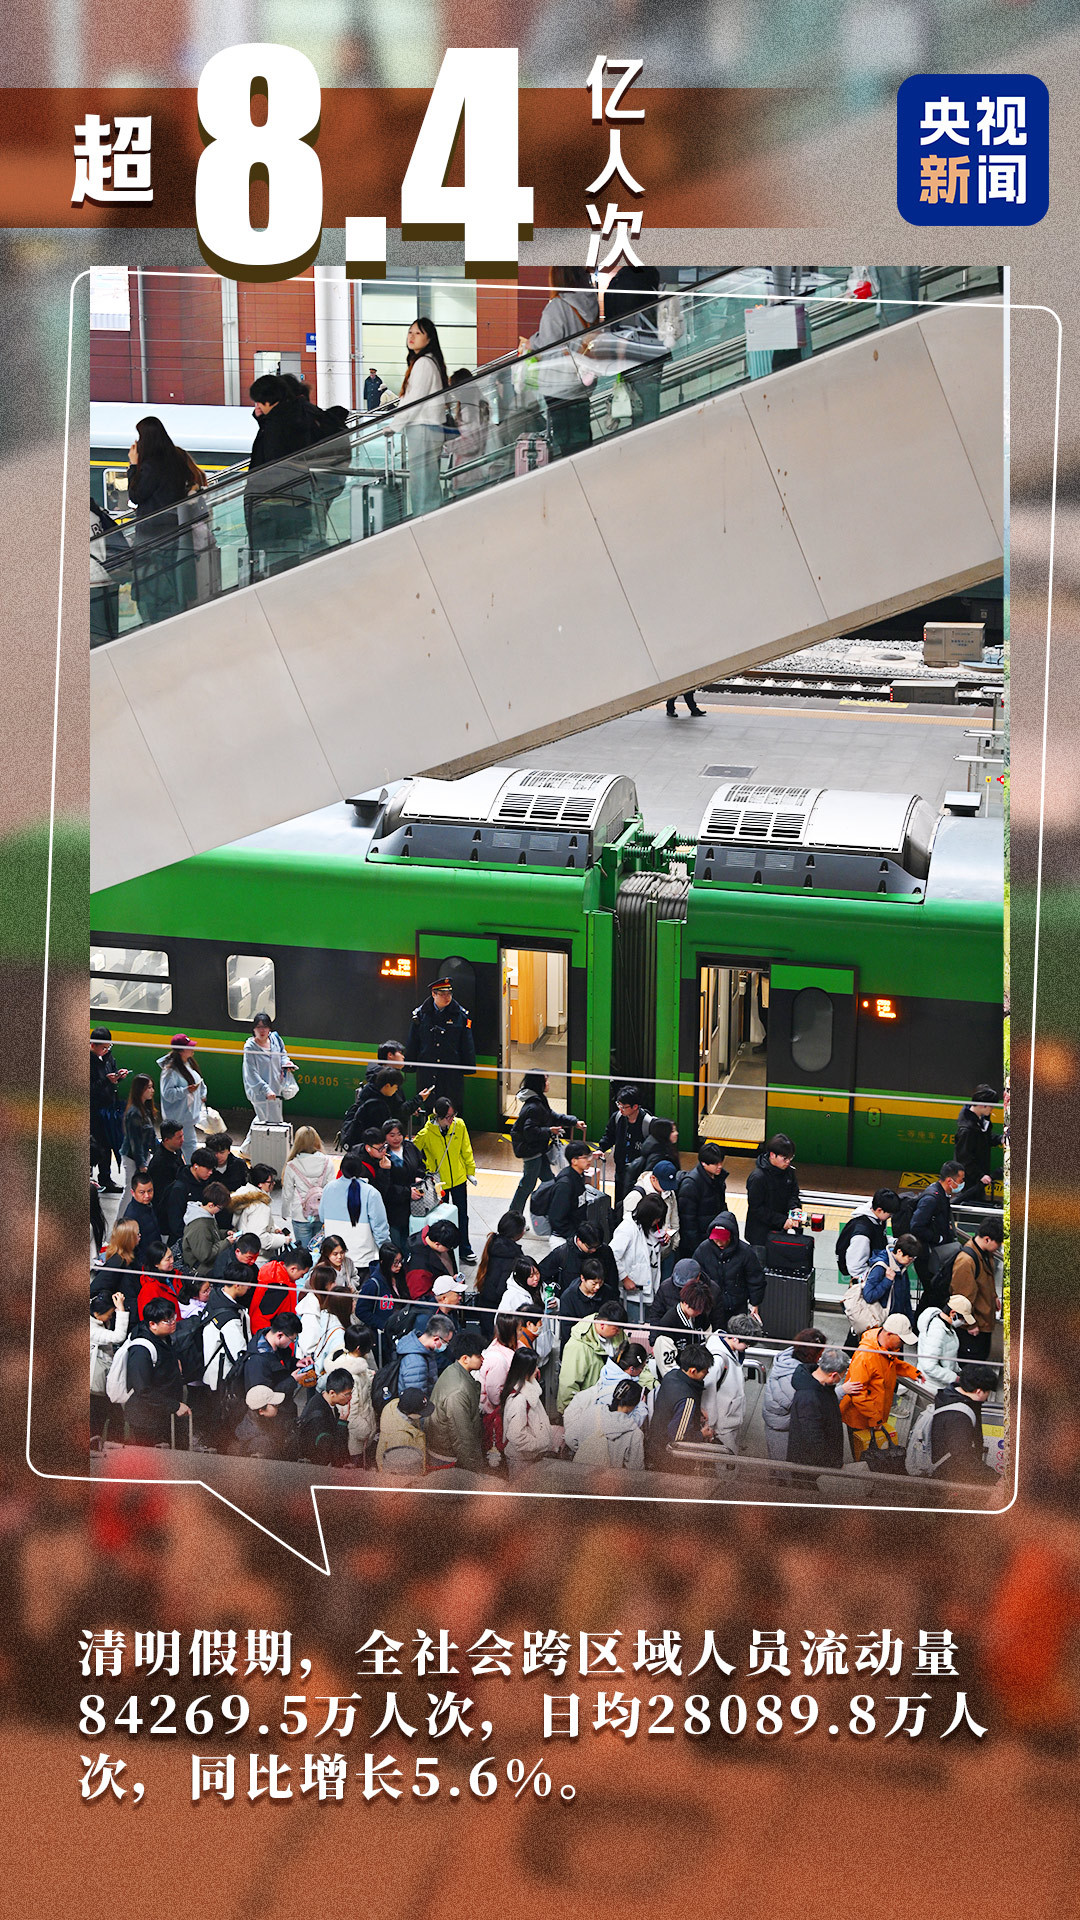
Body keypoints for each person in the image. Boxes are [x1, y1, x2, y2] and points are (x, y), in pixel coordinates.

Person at [245, 372, 323, 575]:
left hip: (274, 503)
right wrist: (263, 420)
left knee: (276, 561)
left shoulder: (278, 424)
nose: (257, 407)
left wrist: (265, 423)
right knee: (290, 557)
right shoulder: (296, 414)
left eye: (259, 402)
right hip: (297, 498)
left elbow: (272, 456)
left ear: (268, 400)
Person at [520, 266, 599, 459]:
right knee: (582, 433)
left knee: (565, 439)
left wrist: (532, 342)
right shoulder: (591, 302)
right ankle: (587, 466)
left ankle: (573, 470)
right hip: (582, 379)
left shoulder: (557, 306)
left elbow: (548, 343)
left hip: (560, 384)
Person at [126, 416, 199, 622]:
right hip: (174, 529)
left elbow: (136, 495)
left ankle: (156, 620)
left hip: (151, 535)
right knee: (171, 578)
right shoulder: (176, 459)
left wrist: (133, 466)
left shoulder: (151, 465)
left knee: (151, 581)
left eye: (139, 437)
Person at [840, 1315, 921, 1461]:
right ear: (889, 1334)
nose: (902, 1344)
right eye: (901, 1340)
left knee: (873, 1452)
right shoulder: (866, 1356)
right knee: (863, 1455)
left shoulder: (883, 1348)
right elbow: (858, 1394)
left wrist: (913, 1373)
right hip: (861, 1417)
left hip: (874, 1415)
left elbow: (892, 1364)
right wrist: (875, 1419)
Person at [413, 1098, 477, 1263]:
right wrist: (425, 1169)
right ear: (438, 1116)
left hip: (459, 1178)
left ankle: (465, 1248)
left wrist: (470, 1171)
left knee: (462, 1214)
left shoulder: (459, 1125)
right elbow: (412, 1152)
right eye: (448, 1117)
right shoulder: (426, 1133)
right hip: (438, 1183)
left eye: (453, 1115)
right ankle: (445, 1250)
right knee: (443, 1219)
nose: (451, 1119)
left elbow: (466, 1149)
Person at [397, 317, 450, 516]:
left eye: (418, 333)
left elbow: (414, 399)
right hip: (426, 427)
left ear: (429, 339)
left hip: (424, 427)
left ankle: (425, 521)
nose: (412, 336)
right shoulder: (426, 361)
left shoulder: (424, 363)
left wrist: (394, 425)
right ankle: (426, 520)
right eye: (410, 332)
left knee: (423, 482)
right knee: (425, 481)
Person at [123, 1297, 191, 1447]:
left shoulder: (164, 1338)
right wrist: (174, 1406)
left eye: (173, 1317)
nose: (173, 1322)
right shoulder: (141, 1350)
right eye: (167, 1321)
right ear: (152, 1324)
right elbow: (143, 1389)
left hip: (162, 1414)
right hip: (146, 1420)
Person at [562, 1343, 653, 1454]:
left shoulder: (606, 1375)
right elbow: (626, 1425)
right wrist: (641, 1409)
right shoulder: (625, 1393)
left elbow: (570, 1438)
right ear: (632, 1369)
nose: (642, 1372)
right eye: (642, 1368)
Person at [509, 1072, 578, 1215]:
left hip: (538, 1150)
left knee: (549, 1182)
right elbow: (530, 1132)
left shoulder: (539, 1101)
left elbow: (552, 1116)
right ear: (539, 1083)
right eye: (546, 1081)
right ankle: (513, 1217)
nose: (548, 1083)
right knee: (527, 1186)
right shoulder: (534, 1107)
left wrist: (574, 1122)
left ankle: (550, 1214)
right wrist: (549, 1130)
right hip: (531, 1151)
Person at [407, 978, 476, 1111]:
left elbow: (467, 1043)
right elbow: (413, 1041)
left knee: (452, 1106)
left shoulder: (460, 1015)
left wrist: (468, 1067)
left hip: (451, 1072)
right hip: (428, 1071)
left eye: (449, 993)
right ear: (433, 994)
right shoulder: (421, 1014)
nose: (447, 997)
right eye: (443, 994)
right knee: (429, 1107)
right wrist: (409, 1065)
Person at [761, 1328, 828, 1460]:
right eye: (820, 1353)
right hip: (782, 1431)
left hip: (777, 1427)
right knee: (783, 1468)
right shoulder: (795, 1379)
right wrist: (840, 1392)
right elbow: (810, 1405)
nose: (821, 1357)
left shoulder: (787, 1361)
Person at [645, 1344, 714, 1469]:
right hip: (670, 1459)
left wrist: (695, 1411)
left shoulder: (671, 1375)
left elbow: (671, 1406)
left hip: (656, 1441)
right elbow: (679, 1437)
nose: (707, 1373)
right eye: (705, 1370)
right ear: (692, 1371)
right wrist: (702, 1434)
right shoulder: (687, 1399)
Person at [319, 1149, 391, 1269]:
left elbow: (322, 1217)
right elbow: (380, 1229)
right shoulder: (371, 1193)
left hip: (334, 1258)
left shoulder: (328, 1188)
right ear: (361, 1170)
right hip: (363, 1260)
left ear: (341, 1169)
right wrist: (386, 1254)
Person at [929, 1362, 1000, 1483]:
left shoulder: (950, 1396)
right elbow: (962, 1456)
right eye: (987, 1392)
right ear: (978, 1391)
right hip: (949, 1478)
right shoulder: (958, 1417)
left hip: (950, 1472)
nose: (987, 1397)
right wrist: (994, 1478)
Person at [426, 1331, 486, 1473]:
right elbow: (462, 1437)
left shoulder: (453, 1369)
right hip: (447, 1456)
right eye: (479, 1356)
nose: (482, 1359)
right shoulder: (458, 1391)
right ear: (465, 1358)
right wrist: (475, 1471)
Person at [692, 1212, 765, 1327]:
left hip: (737, 1306)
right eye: (716, 1239)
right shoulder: (703, 1250)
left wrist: (755, 1303)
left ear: (732, 1236)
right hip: (711, 1307)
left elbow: (755, 1279)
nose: (719, 1242)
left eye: (723, 1239)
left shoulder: (746, 1252)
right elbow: (695, 1277)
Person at [786, 1346, 852, 1470]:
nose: (840, 1380)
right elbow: (813, 1438)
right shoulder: (809, 1397)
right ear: (833, 1375)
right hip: (811, 1466)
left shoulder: (818, 1384)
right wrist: (834, 1464)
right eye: (841, 1376)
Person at [949, 1215, 1004, 1360]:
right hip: (973, 1326)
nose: (998, 1248)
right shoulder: (966, 1261)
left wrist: (993, 1296)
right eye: (998, 1243)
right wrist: (970, 1324)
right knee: (972, 1364)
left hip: (982, 1320)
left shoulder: (984, 1253)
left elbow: (986, 1279)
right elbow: (962, 1297)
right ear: (987, 1239)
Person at [610, 1191, 668, 1325]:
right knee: (635, 1329)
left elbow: (651, 1254)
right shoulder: (627, 1228)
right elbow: (612, 1254)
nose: (658, 1221)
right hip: (633, 1293)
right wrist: (624, 1278)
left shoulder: (650, 1228)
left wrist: (664, 1243)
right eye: (656, 1218)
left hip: (650, 1289)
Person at [500, 1350, 561, 1476]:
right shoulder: (519, 1400)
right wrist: (541, 1443)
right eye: (535, 1366)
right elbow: (516, 1436)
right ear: (527, 1370)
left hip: (529, 1457)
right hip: (522, 1460)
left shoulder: (529, 1390)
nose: (537, 1369)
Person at [241, 1013, 296, 1150]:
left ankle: (246, 1149)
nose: (262, 1030)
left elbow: (283, 1054)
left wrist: (286, 1063)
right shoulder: (250, 1048)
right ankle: (273, 1150)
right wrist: (265, 1090)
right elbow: (251, 1073)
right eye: (258, 1027)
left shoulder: (275, 1039)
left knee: (262, 1118)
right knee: (272, 1122)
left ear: (269, 1028)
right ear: (253, 1029)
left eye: (265, 1026)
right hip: (260, 1092)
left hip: (276, 1089)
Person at [557, 1308, 627, 1414]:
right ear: (603, 1324)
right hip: (586, 1408)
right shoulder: (577, 1346)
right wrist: (569, 1414)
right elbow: (568, 1385)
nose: (618, 1333)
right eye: (616, 1329)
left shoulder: (618, 1336)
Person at [242, 1311, 304, 1425]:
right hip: (273, 1420)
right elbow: (262, 1398)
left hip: (285, 1409)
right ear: (280, 1335)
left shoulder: (276, 1346)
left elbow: (283, 1365)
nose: (292, 1343)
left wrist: (297, 1363)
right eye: (292, 1340)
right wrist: (292, 1380)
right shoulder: (257, 1361)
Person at [539, 1222, 620, 1307]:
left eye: (597, 1247)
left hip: (600, 1303)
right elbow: (542, 1273)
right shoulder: (562, 1254)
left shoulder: (605, 1251)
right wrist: (555, 1294)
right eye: (590, 1247)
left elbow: (612, 1279)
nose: (594, 1250)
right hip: (572, 1305)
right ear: (579, 1240)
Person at [910, 1161, 965, 1283]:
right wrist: (938, 1238)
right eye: (961, 1180)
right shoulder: (931, 1199)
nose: (962, 1183)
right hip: (928, 1256)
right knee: (933, 1289)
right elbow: (916, 1227)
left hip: (936, 1253)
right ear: (950, 1181)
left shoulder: (941, 1194)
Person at [744, 1135, 801, 1255]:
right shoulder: (758, 1178)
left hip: (782, 1231)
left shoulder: (788, 1172)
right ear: (772, 1155)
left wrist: (794, 1208)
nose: (788, 1162)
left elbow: (793, 1193)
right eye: (784, 1158)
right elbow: (757, 1208)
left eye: (790, 1158)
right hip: (761, 1236)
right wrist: (782, 1221)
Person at [599, 1085, 652, 1211]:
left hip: (639, 1175)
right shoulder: (617, 1118)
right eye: (619, 1105)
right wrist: (600, 1148)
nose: (620, 1109)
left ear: (635, 1106)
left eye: (624, 1107)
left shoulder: (648, 1123)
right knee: (620, 1204)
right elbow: (609, 1136)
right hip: (621, 1170)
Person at [381, 1118, 428, 1252]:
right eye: (392, 1135)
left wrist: (419, 1176)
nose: (396, 1138)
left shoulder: (409, 1147)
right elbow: (385, 1184)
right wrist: (407, 1192)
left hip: (414, 1204)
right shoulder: (383, 1155)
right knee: (397, 1243)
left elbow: (421, 1165)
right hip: (394, 1207)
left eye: (399, 1134)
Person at [281, 1126, 334, 1247]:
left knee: (304, 1253)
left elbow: (287, 1193)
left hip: (300, 1215)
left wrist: (285, 1212)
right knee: (318, 1251)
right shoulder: (327, 1162)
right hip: (321, 1213)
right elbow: (331, 1190)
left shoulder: (292, 1165)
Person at [157, 1036, 207, 1161]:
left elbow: (199, 1082)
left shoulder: (188, 1064)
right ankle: (190, 1168)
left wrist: (202, 1094)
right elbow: (167, 1094)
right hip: (179, 1119)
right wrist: (186, 1090)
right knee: (188, 1147)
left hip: (186, 1118)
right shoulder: (170, 1071)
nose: (193, 1048)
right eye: (189, 1047)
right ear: (181, 1050)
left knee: (187, 1147)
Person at [836, 1190, 900, 1285]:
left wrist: (895, 1242)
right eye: (889, 1214)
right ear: (879, 1210)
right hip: (865, 1282)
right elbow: (856, 1267)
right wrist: (874, 1279)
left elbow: (879, 1238)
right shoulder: (862, 1235)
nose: (890, 1217)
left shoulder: (877, 1218)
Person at [90, 1027, 127, 1192]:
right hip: (94, 1110)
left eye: (108, 1047)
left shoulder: (109, 1058)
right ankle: (94, 1178)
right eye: (103, 1047)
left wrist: (118, 1077)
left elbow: (111, 1078)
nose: (106, 1050)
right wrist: (106, 1081)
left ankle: (105, 1178)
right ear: (93, 1045)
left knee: (108, 1144)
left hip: (108, 1109)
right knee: (96, 1145)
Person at [860, 1233, 923, 1330]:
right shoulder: (880, 1267)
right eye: (909, 1258)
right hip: (882, 1322)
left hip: (897, 1321)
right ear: (899, 1252)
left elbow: (905, 1297)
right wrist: (887, 1280)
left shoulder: (902, 1267)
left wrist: (910, 1322)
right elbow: (869, 1296)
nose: (911, 1261)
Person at [90, 1289, 130, 1438]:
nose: (111, 1317)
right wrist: (121, 1310)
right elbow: (118, 1336)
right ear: (97, 1314)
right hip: (94, 1387)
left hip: (101, 1384)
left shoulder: (97, 1321)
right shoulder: (92, 1329)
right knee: (97, 1422)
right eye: (110, 1314)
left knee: (113, 1418)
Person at [676, 1145, 728, 1258]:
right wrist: (698, 1248)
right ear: (704, 1163)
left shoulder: (718, 1179)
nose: (720, 1166)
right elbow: (688, 1221)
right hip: (697, 1245)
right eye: (715, 1163)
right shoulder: (691, 1184)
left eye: (720, 1162)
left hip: (714, 1238)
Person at [917, 1294, 978, 1390]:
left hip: (941, 1383)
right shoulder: (937, 1331)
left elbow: (949, 1356)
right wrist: (955, 1378)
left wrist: (959, 1372)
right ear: (953, 1314)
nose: (963, 1322)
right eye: (963, 1319)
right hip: (933, 1386)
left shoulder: (946, 1327)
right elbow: (929, 1366)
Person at [297, 1367, 355, 1467]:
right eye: (347, 1394)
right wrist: (342, 1423)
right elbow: (332, 1452)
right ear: (332, 1393)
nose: (350, 1397)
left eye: (351, 1393)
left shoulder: (323, 1399)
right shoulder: (318, 1419)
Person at [160, 1147, 218, 1243]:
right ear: (196, 1166)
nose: (210, 1172)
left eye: (212, 1169)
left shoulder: (206, 1182)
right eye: (208, 1169)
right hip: (185, 1240)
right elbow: (175, 1223)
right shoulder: (179, 1189)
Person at [248, 1249, 313, 1334]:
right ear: (293, 1269)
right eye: (302, 1274)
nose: (302, 1277)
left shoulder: (276, 1274)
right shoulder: (278, 1288)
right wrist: (266, 1339)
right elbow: (260, 1319)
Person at [228, 1166, 291, 1255]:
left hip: (243, 1249)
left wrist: (274, 1228)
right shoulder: (260, 1206)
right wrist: (283, 1240)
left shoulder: (243, 1195)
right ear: (260, 1184)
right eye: (270, 1182)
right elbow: (260, 1238)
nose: (274, 1183)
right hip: (258, 1255)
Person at [118, 1073, 157, 1214]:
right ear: (140, 1090)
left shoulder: (145, 1109)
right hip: (132, 1158)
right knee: (130, 1191)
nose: (152, 1091)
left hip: (142, 1156)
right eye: (149, 1088)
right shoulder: (135, 1113)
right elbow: (135, 1142)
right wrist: (142, 1164)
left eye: (152, 1087)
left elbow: (150, 1136)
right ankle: (119, 1221)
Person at [548, 1139, 600, 1243]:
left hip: (576, 1232)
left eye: (589, 1156)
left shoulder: (579, 1175)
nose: (589, 1160)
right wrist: (574, 1238)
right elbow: (556, 1219)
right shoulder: (565, 1185)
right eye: (585, 1157)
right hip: (563, 1238)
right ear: (574, 1161)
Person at [447, 368, 489, 495]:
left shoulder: (469, 411)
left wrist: (448, 444)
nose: (452, 393)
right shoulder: (479, 405)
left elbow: (471, 443)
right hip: (475, 470)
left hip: (468, 472)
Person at [954, 1088, 1000, 1204]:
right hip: (969, 1179)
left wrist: (1000, 1139)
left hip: (980, 1176)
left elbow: (986, 1138)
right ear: (982, 1105)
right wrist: (980, 1175)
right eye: (991, 1106)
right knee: (969, 1203)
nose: (992, 1109)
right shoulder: (967, 1130)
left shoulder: (981, 1119)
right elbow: (963, 1158)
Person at [355, 1241, 412, 1333]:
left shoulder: (401, 1276)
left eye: (400, 1261)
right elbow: (361, 1311)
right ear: (384, 1262)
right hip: (382, 1334)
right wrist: (383, 1325)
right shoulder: (372, 1284)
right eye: (395, 1263)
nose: (399, 1265)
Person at [475, 1212, 529, 1310]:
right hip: (498, 1308)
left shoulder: (493, 1244)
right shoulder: (513, 1257)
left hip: (484, 1300)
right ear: (520, 1233)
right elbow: (501, 1289)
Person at [395, 1313, 456, 1398]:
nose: (446, 1345)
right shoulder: (416, 1362)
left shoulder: (423, 1350)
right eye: (446, 1342)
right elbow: (416, 1398)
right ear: (436, 1339)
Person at [181, 1181, 234, 1277]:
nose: (220, 1210)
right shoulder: (200, 1225)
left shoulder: (206, 1215)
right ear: (210, 1205)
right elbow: (205, 1256)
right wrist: (226, 1242)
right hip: (202, 1271)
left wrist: (225, 1233)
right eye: (220, 1208)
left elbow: (211, 1235)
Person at [377, 1387, 432, 1474]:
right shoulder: (400, 1438)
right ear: (410, 1413)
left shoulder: (394, 1405)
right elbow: (402, 1473)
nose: (422, 1416)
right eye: (421, 1413)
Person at [234, 1384, 294, 1461]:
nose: (278, 1406)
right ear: (261, 1411)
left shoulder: (249, 1420)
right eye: (274, 1405)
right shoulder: (262, 1443)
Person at [557, 1257, 614, 1334]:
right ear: (582, 1278)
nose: (597, 1287)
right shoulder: (568, 1297)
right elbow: (566, 1329)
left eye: (600, 1283)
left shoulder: (608, 1292)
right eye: (594, 1283)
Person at [406, 1217, 460, 1299]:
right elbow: (419, 1298)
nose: (449, 1250)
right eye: (449, 1248)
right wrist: (446, 1292)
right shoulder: (419, 1266)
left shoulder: (441, 1241)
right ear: (437, 1244)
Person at [146, 1122, 186, 1230]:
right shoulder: (160, 1164)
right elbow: (162, 1196)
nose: (182, 1140)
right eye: (179, 1137)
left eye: (182, 1136)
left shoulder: (176, 1150)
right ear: (167, 1140)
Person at [120, 1172, 165, 1260]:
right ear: (132, 1192)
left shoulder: (148, 1205)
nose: (147, 1196)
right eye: (142, 1192)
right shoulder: (131, 1217)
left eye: (150, 1191)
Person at [204, 1131, 250, 1197]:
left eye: (222, 1152)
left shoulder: (239, 1165)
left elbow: (247, 1186)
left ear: (228, 1151)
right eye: (215, 1153)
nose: (218, 1156)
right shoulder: (203, 1166)